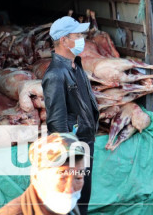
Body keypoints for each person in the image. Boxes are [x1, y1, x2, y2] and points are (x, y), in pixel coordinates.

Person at [42, 16, 99, 215]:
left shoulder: (76, 66)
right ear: (64, 40)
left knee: (82, 202)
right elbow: (56, 122)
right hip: (73, 150)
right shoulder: (56, 74)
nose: (82, 38)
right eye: (78, 35)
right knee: (70, 205)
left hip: (85, 145)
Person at [0, 133, 86, 215]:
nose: (70, 189)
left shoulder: (64, 205)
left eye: (78, 178)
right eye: (62, 178)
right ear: (36, 177)